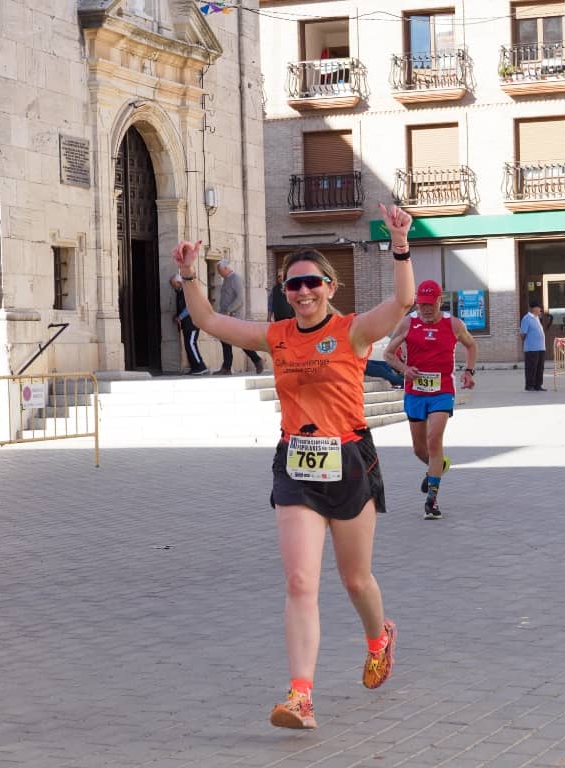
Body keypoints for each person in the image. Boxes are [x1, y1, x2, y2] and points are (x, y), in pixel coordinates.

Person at [170, 203, 415, 730]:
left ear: (329, 287)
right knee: (301, 581)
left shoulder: (352, 331)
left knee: (355, 580)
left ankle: (379, 638)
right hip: (296, 466)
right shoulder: (276, 336)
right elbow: (209, 320)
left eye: (311, 283)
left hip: (349, 461)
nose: (302, 292)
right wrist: (190, 274)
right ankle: (300, 696)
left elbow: (402, 301)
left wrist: (400, 245)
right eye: (293, 285)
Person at [385, 281, 478, 520]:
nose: (426, 309)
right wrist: (404, 369)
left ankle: (432, 500)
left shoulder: (454, 324)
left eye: (430, 304)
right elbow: (388, 354)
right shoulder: (408, 323)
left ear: (440, 301)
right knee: (419, 449)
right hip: (415, 391)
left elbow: (471, 345)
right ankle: (437, 466)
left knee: (434, 439)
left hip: (442, 390)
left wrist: (469, 371)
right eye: (422, 305)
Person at [213, 260, 264, 375]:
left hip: (233, 316)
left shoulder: (235, 278)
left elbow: (240, 299)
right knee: (225, 340)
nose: (219, 274)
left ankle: (257, 360)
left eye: (220, 271)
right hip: (225, 317)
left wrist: (229, 310)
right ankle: (226, 367)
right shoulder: (226, 279)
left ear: (226, 268)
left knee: (240, 341)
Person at [169, 273, 209, 375]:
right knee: (188, 345)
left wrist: (180, 317)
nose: (173, 287)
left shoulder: (188, 291)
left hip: (193, 323)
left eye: (173, 284)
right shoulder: (180, 292)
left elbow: (190, 307)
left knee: (191, 344)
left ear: (179, 282)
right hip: (187, 324)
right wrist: (177, 316)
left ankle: (201, 367)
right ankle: (195, 367)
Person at [519, 302, 547, 392]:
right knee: (531, 367)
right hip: (531, 348)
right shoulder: (526, 319)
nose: (540, 310)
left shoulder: (537, 318)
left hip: (541, 347)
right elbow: (522, 334)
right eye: (539, 308)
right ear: (534, 308)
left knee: (540, 367)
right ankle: (529, 385)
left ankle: (538, 385)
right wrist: (529, 342)